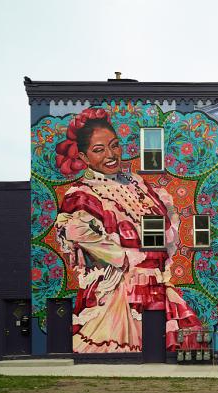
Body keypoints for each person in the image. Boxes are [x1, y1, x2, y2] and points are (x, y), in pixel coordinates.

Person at [54, 108, 202, 353]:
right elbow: (81, 235)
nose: (111, 155)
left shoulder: (137, 183)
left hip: (156, 286)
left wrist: (156, 252)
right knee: (125, 348)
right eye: (99, 150)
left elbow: (166, 226)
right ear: (84, 157)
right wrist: (126, 257)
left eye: (114, 146)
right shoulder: (81, 195)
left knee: (170, 345)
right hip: (117, 295)